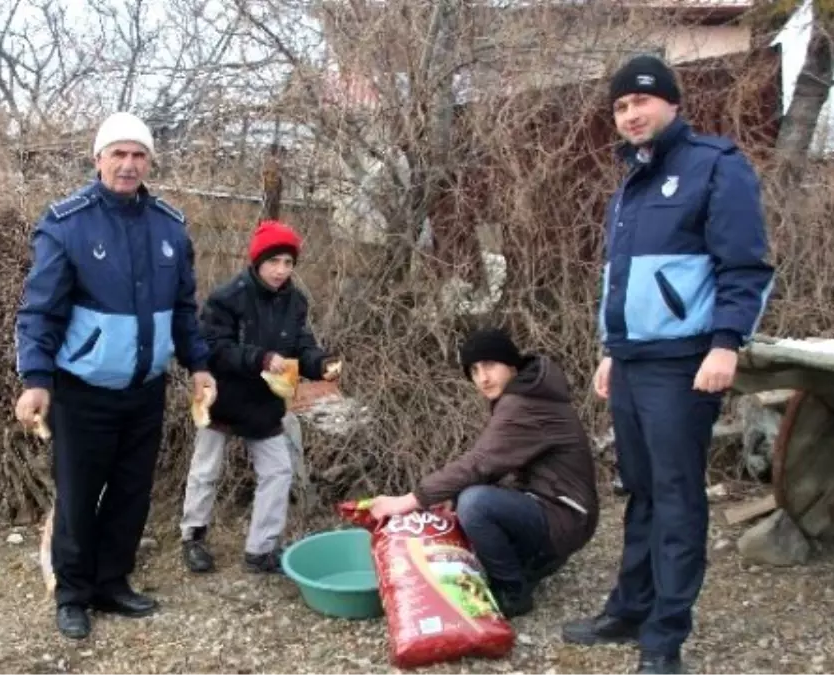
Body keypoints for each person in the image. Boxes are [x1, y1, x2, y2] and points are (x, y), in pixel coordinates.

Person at [560, 55, 774, 675]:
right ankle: (630, 610)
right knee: (643, 492)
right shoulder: (628, 184)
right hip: (631, 361)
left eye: (640, 102)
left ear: (671, 103)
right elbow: (620, 282)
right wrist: (610, 349)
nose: (630, 115)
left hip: (686, 363)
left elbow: (745, 268)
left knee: (678, 497)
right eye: (620, 107)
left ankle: (665, 638)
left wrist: (726, 344)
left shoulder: (715, 166)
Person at [13, 111, 216, 641]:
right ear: (98, 158)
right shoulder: (67, 223)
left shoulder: (170, 226)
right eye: (118, 154)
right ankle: (73, 593)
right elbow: (41, 312)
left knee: (132, 492)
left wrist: (198, 366)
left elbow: (183, 308)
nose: (128, 164)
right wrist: (36, 378)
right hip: (83, 392)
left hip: (144, 390)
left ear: (149, 161)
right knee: (79, 496)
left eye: (138, 155)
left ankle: (112, 581)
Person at [366, 328, 599, 619]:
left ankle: (513, 593)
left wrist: (409, 500)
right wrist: (448, 494)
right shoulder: (527, 391)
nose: (482, 378)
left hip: (565, 516)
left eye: (490, 366)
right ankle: (531, 564)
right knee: (466, 498)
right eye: (474, 370)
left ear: (512, 365)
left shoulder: (524, 403)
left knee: (475, 503)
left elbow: (479, 463)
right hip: (557, 508)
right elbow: (496, 462)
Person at [179, 220, 339, 574]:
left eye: (288, 262)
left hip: (264, 404)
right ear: (257, 262)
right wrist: (260, 358)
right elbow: (214, 349)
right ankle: (193, 537)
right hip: (222, 395)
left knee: (279, 471)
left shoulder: (295, 301)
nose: (281, 270)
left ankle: (261, 550)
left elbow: (302, 344)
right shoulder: (227, 296)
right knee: (206, 470)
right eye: (274, 262)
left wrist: (321, 363)